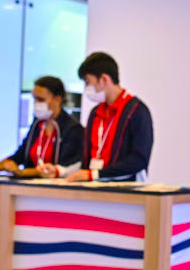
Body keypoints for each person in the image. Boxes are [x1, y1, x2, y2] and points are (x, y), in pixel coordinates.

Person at [62, 51, 153, 182]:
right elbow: (86, 158)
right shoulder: (95, 112)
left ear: (104, 79)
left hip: (126, 188)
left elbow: (139, 160)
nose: (86, 88)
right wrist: (62, 171)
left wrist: (97, 174)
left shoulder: (136, 111)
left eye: (88, 82)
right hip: (93, 186)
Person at [0, 76, 83, 177]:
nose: (36, 103)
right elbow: (19, 156)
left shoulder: (72, 128)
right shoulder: (37, 124)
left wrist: (23, 173)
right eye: (34, 99)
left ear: (57, 99)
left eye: (40, 99)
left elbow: (63, 168)